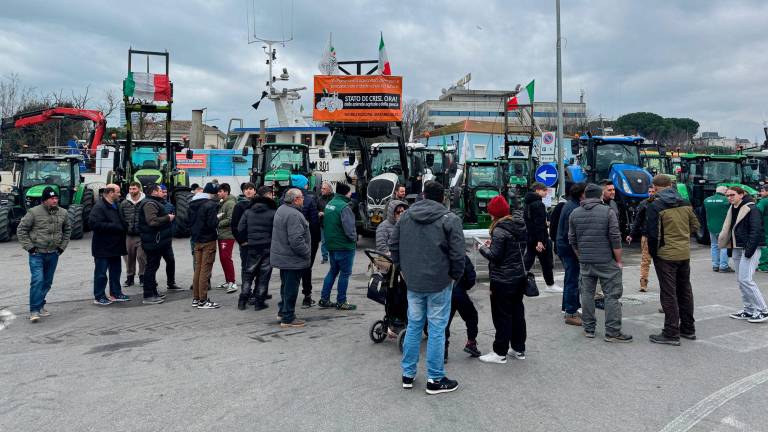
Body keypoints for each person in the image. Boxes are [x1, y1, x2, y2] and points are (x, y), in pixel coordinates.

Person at [390, 180, 464, 395]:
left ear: (422, 195)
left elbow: (393, 244)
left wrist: (402, 268)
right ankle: (435, 377)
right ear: (443, 197)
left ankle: (408, 374)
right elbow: (458, 254)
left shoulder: (405, 216)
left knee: (414, 326)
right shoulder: (449, 219)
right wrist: (454, 276)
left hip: (413, 281)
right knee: (436, 329)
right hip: (439, 281)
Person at [568, 184, 632, 342]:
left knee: (587, 295)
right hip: (606, 261)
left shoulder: (574, 213)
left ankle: (589, 329)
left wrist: (580, 256)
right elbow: (615, 238)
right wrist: (618, 260)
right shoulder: (608, 212)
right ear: (599, 196)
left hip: (586, 262)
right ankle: (612, 332)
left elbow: (572, 239)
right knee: (612, 295)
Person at [644, 175, 700, 345]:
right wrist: (683, 237)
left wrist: (655, 253)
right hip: (684, 253)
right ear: (670, 185)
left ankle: (671, 332)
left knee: (668, 293)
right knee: (685, 290)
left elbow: (652, 234)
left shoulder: (655, 205)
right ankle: (688, 329)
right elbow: (695, 226)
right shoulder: (684, 202)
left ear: (655, 186)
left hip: (665, 255)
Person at [478, 195, 528, 364]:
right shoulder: (517, 226)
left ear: (495, 213)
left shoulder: (499, 230)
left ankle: (500, 352)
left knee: (502, 316)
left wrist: (482, 249)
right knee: (517, 313)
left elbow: (495, 256)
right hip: (518, 277)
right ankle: (518, 348)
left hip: (502, 279)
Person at [17, 187, 71, 322]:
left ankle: (40, 304)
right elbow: (21, 229)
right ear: (45, 200)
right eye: (52, 198)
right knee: (37, 280)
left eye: (56, 198)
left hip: (53, 253)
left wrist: (61, 248)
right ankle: (34, 310)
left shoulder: (63, 213)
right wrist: (30, 248)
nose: (55, 200)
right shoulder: (33, 212)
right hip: (37, 254)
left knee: (47, 282)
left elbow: (68, 230)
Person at [718, 186, 768, 323]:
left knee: (746, 280)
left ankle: (763, 310)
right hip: (737, 248)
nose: (729, 198)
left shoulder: (752, 208)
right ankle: (749, 309)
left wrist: (749, 251)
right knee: (741, 281)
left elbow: (756, 231)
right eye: (727, 195)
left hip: (749, 248)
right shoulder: (732, 208)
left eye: (732, 195)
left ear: (741, 195)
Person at [271, 188, 311, 327]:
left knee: (285, 286)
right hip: (292, 258)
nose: (303, 199)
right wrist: (307, 253)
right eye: (301, 197)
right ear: (295, 200)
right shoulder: (294, 214)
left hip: (284, 257)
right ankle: (288, 317)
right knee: (291, 288)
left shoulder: (282, 209)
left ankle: (282, 312)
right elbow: (296, 240)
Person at [237, 186, 277, 311]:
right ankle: (259, 302)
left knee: (248, 274)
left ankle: (242, 301)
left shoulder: (248, 212)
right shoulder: (272, 213)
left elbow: (240, 228)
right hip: (267, 247)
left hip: (252, 247)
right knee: (264, 275)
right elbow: (276, 230)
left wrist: (246, 240)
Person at [320, 182, 358, 310]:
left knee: (333, 271)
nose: (351, 194)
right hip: (344, 246)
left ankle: (324, 299)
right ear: (346, 193)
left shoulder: (329, 204)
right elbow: (349, 229)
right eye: (349, 192)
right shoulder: (344, 207)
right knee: (345, 274)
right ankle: (341, 301)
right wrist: (354, 239)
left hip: (332, 245)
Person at [89, 184, 129, 305]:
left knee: (115, 272)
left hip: (115, 246)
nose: (120, 194)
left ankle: (115, 293)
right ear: (111, 193)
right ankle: (99, 296)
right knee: (101, 274)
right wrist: (115, 226)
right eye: (118, 192)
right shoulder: (99, 207)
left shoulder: (116, 205)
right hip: (103, 247)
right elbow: (94, 224)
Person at [138, 184, 175, 305]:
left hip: (156, 241)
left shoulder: (154, 202)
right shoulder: (150, 204)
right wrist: (167, 218)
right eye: (160, 191)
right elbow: (152, 221)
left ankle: (153, 292)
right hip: (153, 241)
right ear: (154, 192)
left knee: (153, 267)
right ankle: (148, 295)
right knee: (151, 267)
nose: (162, 193)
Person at [557, 182, 587, 326]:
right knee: (572, 281)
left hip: (564, 248)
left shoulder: (570, 205)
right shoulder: (574, 209)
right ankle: (570, 313)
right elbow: (570, 235)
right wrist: (578, 252)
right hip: (569, 250)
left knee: (570, 279)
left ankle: (568, 307)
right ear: (582, 194)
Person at [523, 182, 560, 292]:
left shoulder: (527, 202)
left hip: (530, 236)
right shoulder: (538, 204)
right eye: (544, 191)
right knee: (546, 262)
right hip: (540, 238)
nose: (546, 193)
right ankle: (550, 285)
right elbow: (539, 224)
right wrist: (540, 241)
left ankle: (517, 281)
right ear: (537, 190)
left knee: (528, 260)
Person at [190, 183, 221, 309]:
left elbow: (189, 222)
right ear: (212, 194)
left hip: (196, 240)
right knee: (205, 270)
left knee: (198, 269)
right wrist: (217, 218)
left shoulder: (192, 204)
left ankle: (196, 299)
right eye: (216, 193)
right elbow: (211, 224)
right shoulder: (211, 205)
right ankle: (203, 300)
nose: (218, 195)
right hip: (208, 240)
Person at [292, 175, 321, 309]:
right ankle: (307, 297)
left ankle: (289, 297)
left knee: (290, 269)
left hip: (290, 239)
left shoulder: (283, 199)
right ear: (305, 185)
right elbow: (314, 223)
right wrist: (315, 240)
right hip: (307, 239)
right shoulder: (309, 200)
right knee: (306, 267)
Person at [445, 255, 481, 360]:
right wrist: (463, 288)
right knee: (472, 316)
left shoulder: (439, 255)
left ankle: (443, 351)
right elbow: (471, 278)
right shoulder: (462, 256)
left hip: (443, 293)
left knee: (444, 322)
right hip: (459, 292)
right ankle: (471, 343)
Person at [627, 185, 657, 292]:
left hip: (658, 236)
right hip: (646, 236)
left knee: (661, 262)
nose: (651, 193)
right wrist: (631, 234)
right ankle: (643, 284)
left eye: (653, 191)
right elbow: (637, 220)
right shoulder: (643, 203)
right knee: (645, 260)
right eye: (649, 191)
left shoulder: (660, 203)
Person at [119, 181, 145, 288]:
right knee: (129, 257)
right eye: (130, 189)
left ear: (139, 189)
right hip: (129, 235)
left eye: (134, 189)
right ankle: (130, 278)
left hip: (142, 235)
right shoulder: (124, 203)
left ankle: (142, 277)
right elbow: (121, 218)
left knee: (141, 256)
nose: (132, 191)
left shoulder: (145, 202)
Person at [232, 182, 257, 285]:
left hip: (258, 241)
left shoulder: (259, 204)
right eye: (246, 189)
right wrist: (241, 241)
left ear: (255, 191)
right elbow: (234, 226)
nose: (248, 191)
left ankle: (258, 292)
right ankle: (246, 291)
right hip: (246, 243)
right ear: (243, 192)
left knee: (258, 268)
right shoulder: (239, 206)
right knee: (246, 268)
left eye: (251, 188)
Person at [704, 185, 733, 272]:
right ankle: (723, 266)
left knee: (714, 246)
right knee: (724, 246)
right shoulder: (726, 200)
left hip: (711, 226)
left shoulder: (706, 200)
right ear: (724, 192)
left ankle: (715, 265)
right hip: (723, 227)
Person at [216, 183, 238, 293]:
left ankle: (232, 282)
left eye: (220, 191)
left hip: (227, 235)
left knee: (226, 258)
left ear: (226, 192)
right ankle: (228, 280)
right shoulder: (223, 203)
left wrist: (216, 223)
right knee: (223, 258)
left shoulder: (230, 203)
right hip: (221, 235)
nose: (218, 193)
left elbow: (230, 219)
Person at [157, 184, 180, 291]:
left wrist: (171, 232)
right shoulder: (151, 204)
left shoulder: (170, 206)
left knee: (171, 261)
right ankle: (151, 283)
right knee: (153, 263)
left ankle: (171, 283)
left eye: (166, 192)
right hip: (155, 239)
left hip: (166, 239)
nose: (165, 194)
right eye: (163, 192)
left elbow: (174, 221)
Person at [318, 181, 333, 264]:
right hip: (323, 224)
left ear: (329, 189)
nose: (322, 190)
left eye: (324, 188)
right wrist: (318, 213)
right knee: (324, 241)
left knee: (332, 240)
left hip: (332, 224)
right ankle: (324, 257)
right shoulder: (319, 198)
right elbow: (316, 209)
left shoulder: (334, 198)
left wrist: (325, 213)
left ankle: (333, 257)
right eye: (322, 188)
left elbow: (334, 210)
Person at [756, 185, 768, 272]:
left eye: (763, 191)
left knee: (764, 246)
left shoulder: (763, 201)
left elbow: (757, 212)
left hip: (765, 227)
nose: (761, 193)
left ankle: (763, 266)